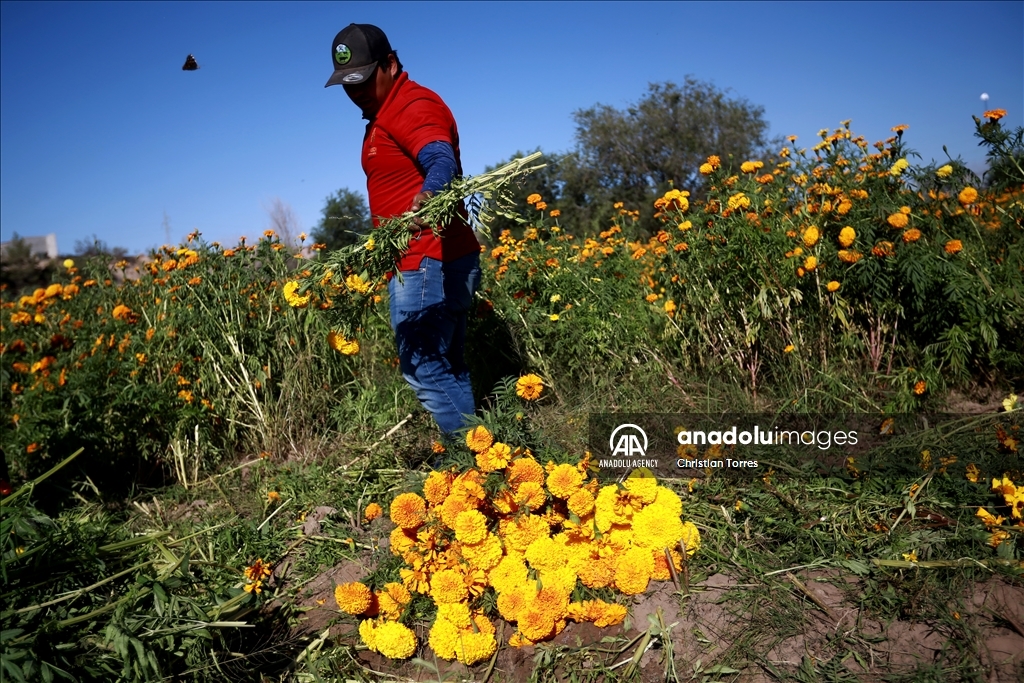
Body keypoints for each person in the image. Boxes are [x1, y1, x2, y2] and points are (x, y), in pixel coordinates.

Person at [325, 23, 482, 438]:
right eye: (346, 83)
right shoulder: (384, 113)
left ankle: (475, 467)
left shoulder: (411, 103)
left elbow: (440, 160)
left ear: (390, 65)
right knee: (446, 364)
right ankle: (480, 472)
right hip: (429, 256)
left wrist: (429, 195)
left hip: (427, 258)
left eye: (360, 80)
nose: (353, 91)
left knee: (424, 368)